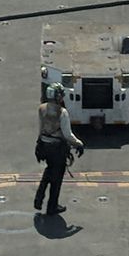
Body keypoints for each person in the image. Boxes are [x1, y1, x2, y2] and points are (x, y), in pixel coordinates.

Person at [34, 83, 84, 215]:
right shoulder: (62, 112)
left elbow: (40, 129)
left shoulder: (41, 108)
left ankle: (38, 198)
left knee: (49, 170)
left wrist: (40, 143)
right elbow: (67, 135)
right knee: (57, 179)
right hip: (57, 149)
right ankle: (52, 206)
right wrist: (79, 144)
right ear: (58, 97)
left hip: (44, 145)